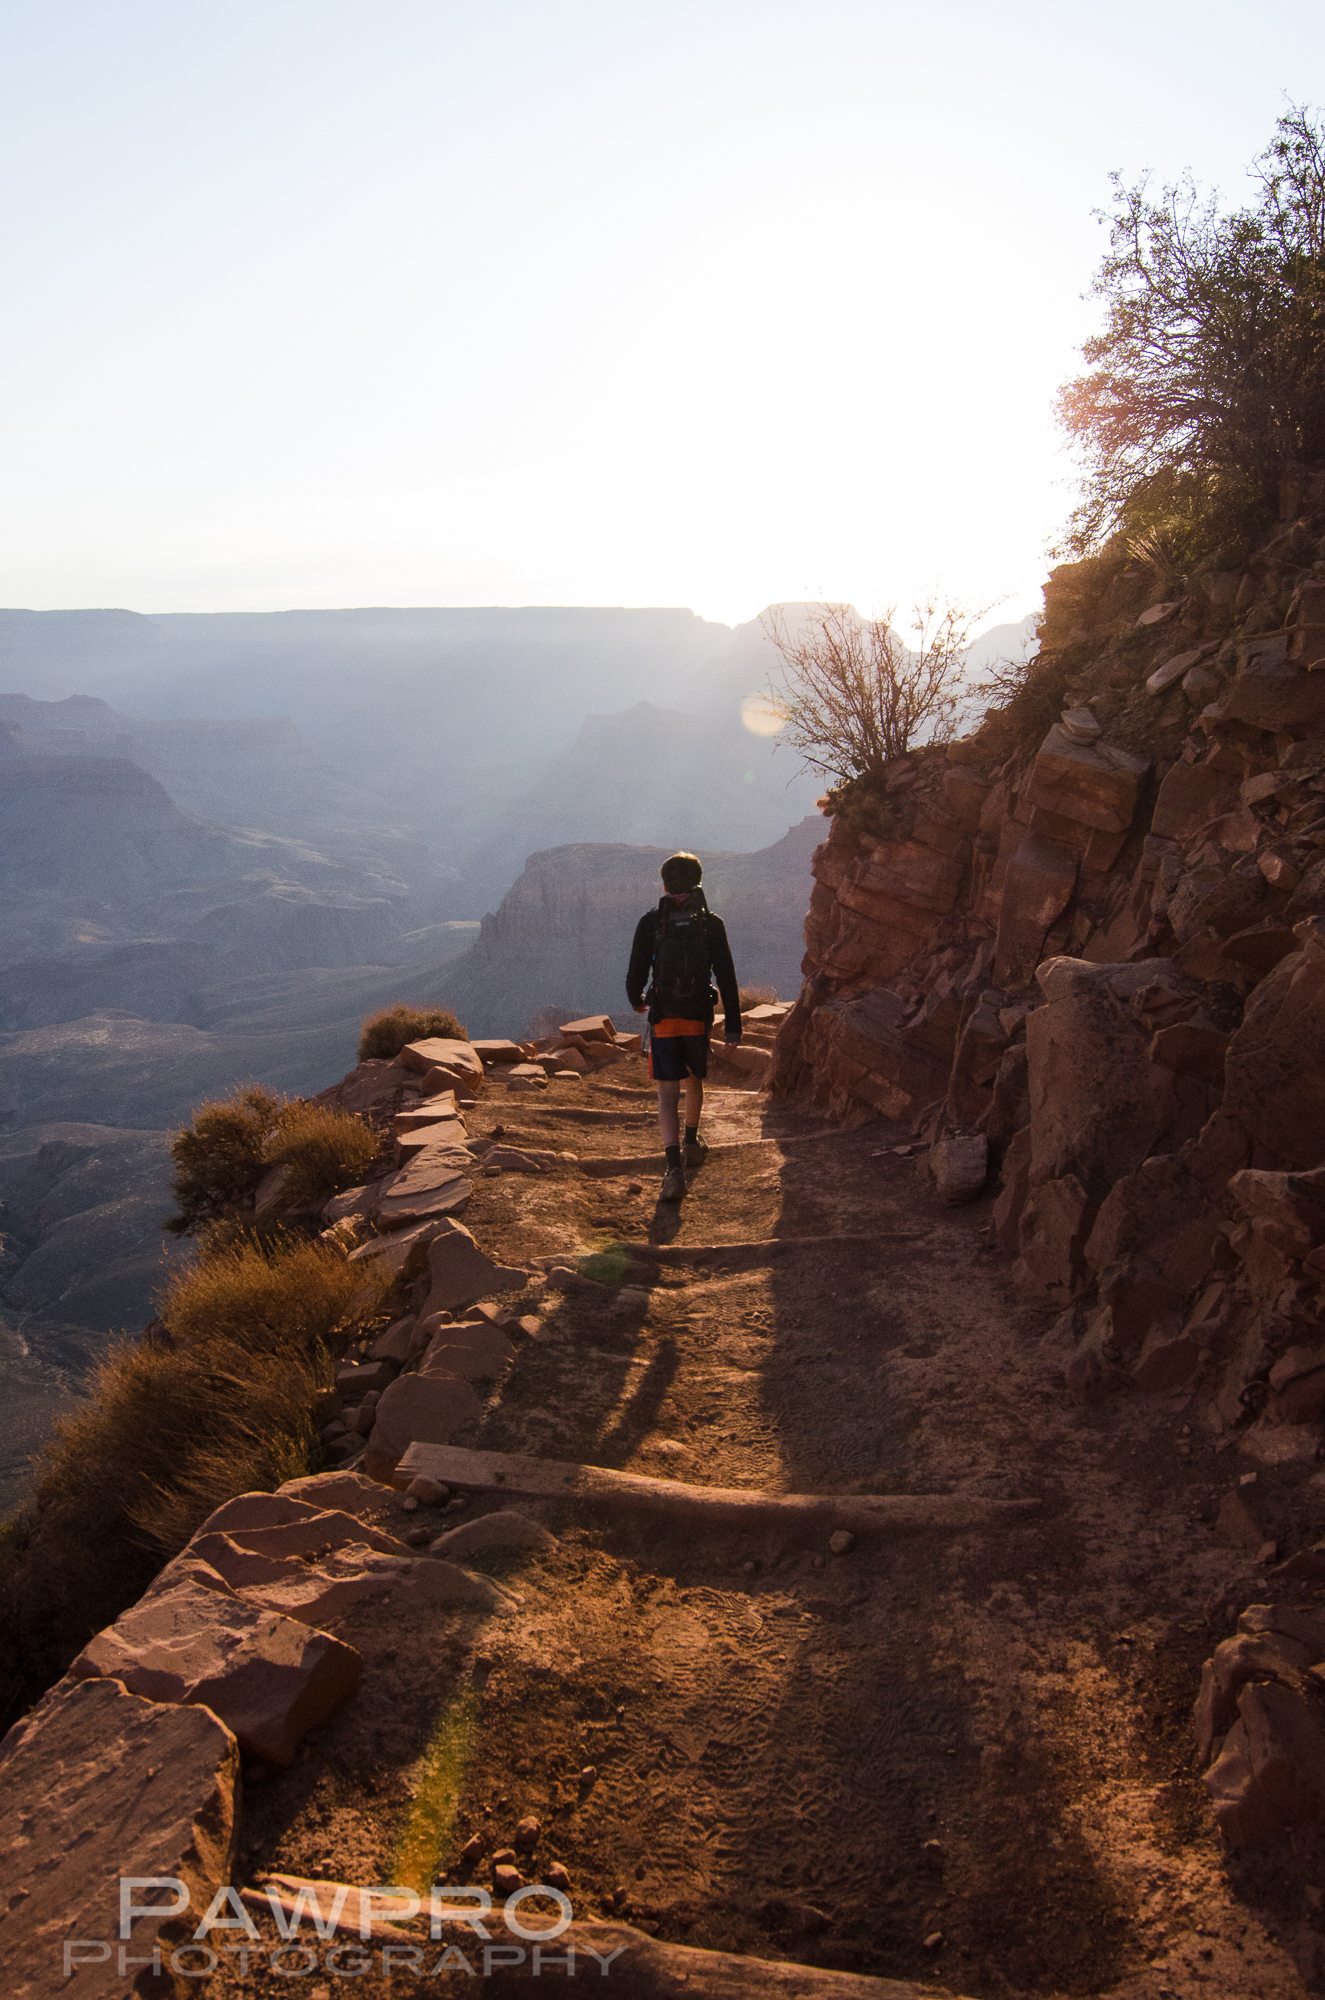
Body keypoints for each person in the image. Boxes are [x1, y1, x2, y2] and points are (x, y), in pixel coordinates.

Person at [626, 851, 742, 1203]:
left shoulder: (651, 922)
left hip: (664, 1017)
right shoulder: (712, 924)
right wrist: (734, 1026)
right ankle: (692, 1141)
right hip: (697, 1017)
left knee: (666, 1093)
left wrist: (637, 1001)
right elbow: (726, 977)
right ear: (699, 882)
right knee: (693, 1080)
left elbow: (635, 974)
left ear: (664, 883)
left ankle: (673, 1169)